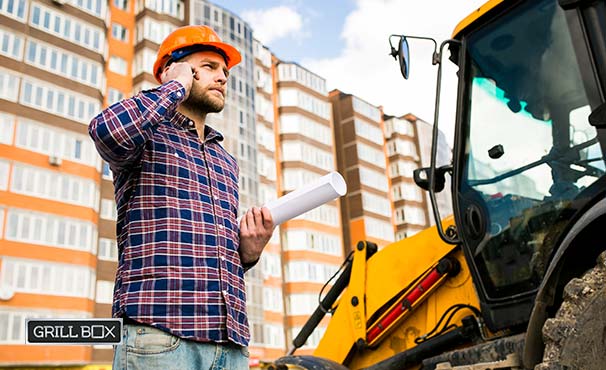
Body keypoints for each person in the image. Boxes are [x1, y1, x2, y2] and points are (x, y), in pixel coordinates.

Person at [89, 25, 274, 370]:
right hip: (160, 336)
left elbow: (213, 255)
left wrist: (246, 255)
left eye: (225, 72)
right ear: (172, 69)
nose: (222, 78)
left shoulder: (226, 161)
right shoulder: (147, 135)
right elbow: (107, 131)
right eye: (208, 66)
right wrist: (174, 88)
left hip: (229, 345)